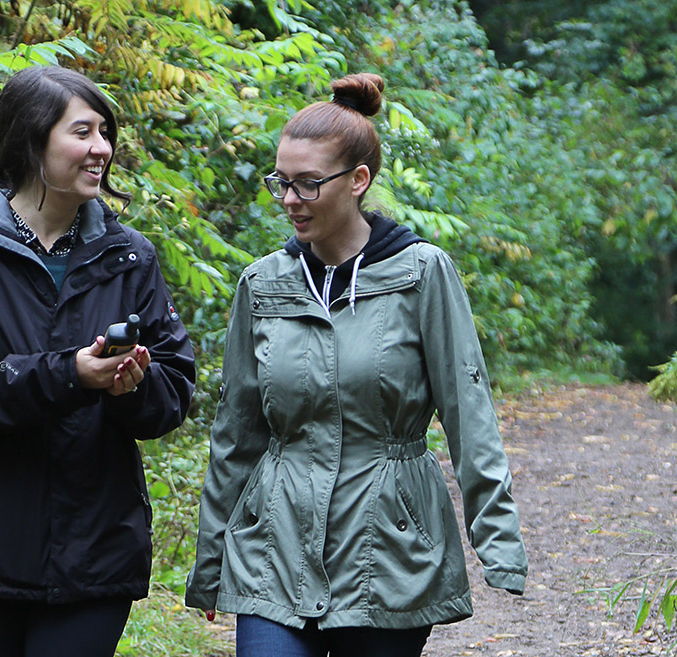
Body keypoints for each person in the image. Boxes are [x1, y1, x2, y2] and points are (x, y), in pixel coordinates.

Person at [185, 73, 527, 657]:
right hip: (274, 542)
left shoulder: (421, 274)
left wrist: (497, 540)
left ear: (358, 181)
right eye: (282, 183)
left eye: (309, 184)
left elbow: (468, 410)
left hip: (387, 545)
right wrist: (212, 555)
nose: (291, 201)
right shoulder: (262, 285)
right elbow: (237, 432)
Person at [0, 65, 195, 657]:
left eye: (105, 133)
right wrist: (70, 373)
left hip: (95, 546)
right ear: (31, 140)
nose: (102, 149)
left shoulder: (129, 256)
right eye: (83, 132)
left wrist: (129, 386)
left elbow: (173, 388)